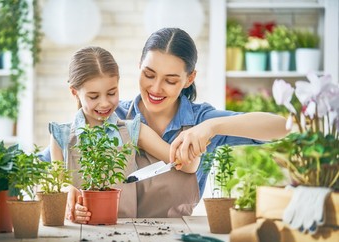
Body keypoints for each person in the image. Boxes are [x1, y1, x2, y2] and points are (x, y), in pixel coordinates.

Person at [41, 27, 288, 223]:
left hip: (176, 241)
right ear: (138, 67)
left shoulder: (201, 120)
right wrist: (64, 197)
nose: (156, 88)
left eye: (170, 80)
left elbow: (283, 128)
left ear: (189, 78)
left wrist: (211, 127)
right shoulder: (110, 115)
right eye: (149, 75)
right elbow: (50, 166)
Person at [49, 46, 200, 223]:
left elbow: (188, 166)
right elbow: (55, 185)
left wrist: (194, 143)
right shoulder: (61, 136)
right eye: (93, 96)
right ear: (75, 92)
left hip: (127, 233)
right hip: (78, 232)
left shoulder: (134, 131)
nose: (104, 103)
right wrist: (67, 191)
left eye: (111, 93)